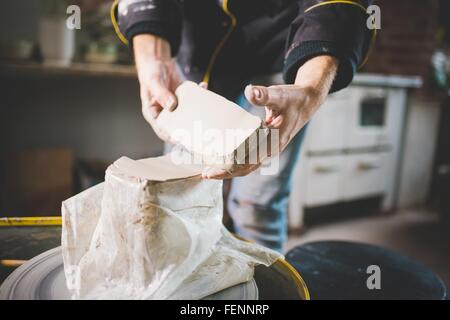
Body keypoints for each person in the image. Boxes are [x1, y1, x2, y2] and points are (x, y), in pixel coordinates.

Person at [112, 0, 375, 252]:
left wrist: (310, 88)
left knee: (257, 204)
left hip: (281, 60)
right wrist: (153, 59)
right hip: (196, 60)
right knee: (180, 194)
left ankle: (262, 290)